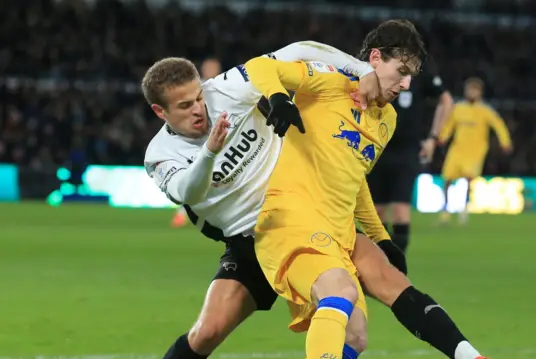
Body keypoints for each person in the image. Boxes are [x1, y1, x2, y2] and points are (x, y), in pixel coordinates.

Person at [143, 39, 485, 359]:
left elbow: (302, 49)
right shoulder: (159, 155)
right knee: (206, 333)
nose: (199, 109)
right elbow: (188, 191)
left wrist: (362, 71)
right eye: (185, 106)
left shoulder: (226, 90)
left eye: (198, 97)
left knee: (359, 330)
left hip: (308, 210)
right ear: (161, 111)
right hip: (250, 238)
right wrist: (210, 152)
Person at [244, 20, 485, 359]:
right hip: (292, 219)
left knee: (360, 331)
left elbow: (355, 180)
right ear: (374, 58)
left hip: (339, 229)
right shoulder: (330, 83)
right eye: (400, 71)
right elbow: (260, 66)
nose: (405, 84)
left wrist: (380, 237)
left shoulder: (386, 120)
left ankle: (471, 355)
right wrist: (280, 98)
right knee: (341, 292)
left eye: (411, 77)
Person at [367, 68, 454, 253]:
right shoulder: (375, 63)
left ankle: (398, 268)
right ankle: (380, 269)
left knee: (400, 210)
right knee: (377, 213)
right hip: (376, 148)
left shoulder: (421, 69)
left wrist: (433, 137)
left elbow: (446, 100)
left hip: (407, 150)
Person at [438, 77, 512, 225]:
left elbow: (499, 125)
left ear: (480, 93)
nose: (471, 92)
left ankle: (464, 209)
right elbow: (449, 125)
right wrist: (443, 137)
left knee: (468, 180)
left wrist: (505, 142)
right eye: (469, 89)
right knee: (447, 179)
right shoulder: (458, 108)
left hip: (475, 151)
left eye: (474, 90)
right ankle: (446, 211)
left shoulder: (485, 110)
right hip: (457, 149)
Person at [171, 56, 224, 228]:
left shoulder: (223, 86)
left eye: (213, 67)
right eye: (208, 67)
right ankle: (183, 212)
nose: (210, 70)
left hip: (220, 137)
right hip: (197, 140)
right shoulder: (195, 88)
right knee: (193, 174)